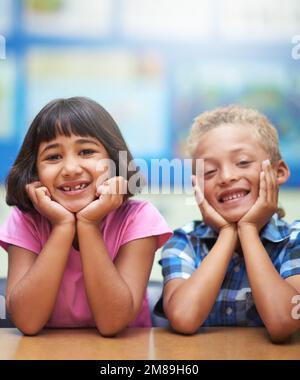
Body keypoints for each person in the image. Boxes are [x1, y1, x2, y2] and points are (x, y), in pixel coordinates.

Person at [0, 96, 172, 336]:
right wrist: (62, 227)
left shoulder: (138, 218)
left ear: (114, 161)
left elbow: (112, 323)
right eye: (53, 157)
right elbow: (27, 322)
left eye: (86, 151)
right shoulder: (25, 220)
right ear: (35, 171)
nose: (70, 169)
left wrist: (88, 225)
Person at [155, 105, 300, 342]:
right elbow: (183, 317)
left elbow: (283, 322)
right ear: (197, 187)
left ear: (279, 172)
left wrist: (248, 229)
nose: (226, 177)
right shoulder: (184, 241)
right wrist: (226, 232)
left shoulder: (295, 239)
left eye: (242, 162)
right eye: (209, 172)